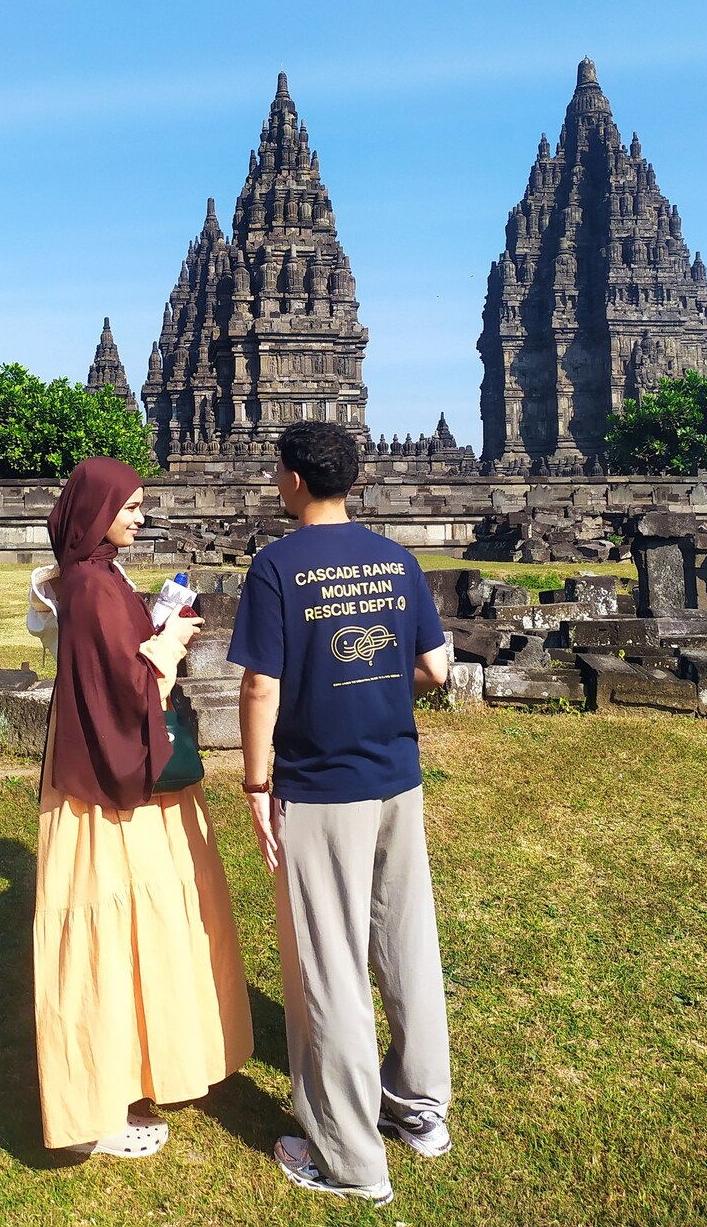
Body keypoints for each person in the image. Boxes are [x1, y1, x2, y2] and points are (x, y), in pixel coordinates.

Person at [228, 422, 452, 1207]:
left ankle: (350, 1159)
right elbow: (433, 665)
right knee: (405, 942)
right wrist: (385, 694)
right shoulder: (397, 560)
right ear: (351, 479)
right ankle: (421, 1109)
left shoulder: (277, 566)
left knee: (329, 969)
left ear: (291, 479)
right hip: (397, 776)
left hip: (321, 785)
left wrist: (256, 786)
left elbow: (260, 689)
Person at [32, 456, 254, 1158]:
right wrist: (172, 642)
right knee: (109, 931)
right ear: (96, 514)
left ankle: (135, 1070)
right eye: (128, 507)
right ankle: (95, 1109)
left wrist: (153, 625)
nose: (139, 517)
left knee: (136, 924)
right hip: (109, 785)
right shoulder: (93, 583)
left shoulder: (93, 576)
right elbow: (126, 687)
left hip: (106, 770)